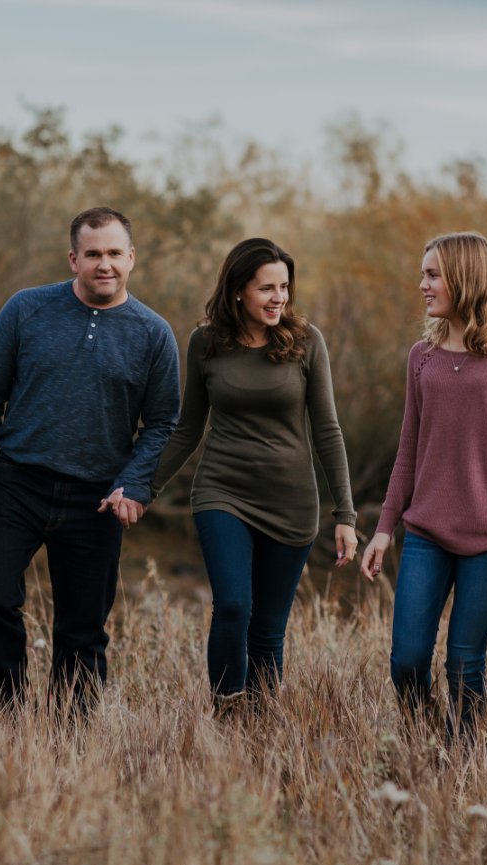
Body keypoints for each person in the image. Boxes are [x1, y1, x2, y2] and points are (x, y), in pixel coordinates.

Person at [0, 207, 180, 713]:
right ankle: (9, 716)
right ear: (73, 259)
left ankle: (71, 738)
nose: (105, 264)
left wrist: (134, 484)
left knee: (82, 631)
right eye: (93, 254)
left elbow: (163, 423)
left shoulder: (153, 333)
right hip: (16, 483)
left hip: (97, 497)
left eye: (114, 253)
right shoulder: (26, 310)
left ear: (131, 258)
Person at [151, 238, 357, 712]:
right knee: (232, 606)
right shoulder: (206, 343)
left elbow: (327, 431)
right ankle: (227, 713)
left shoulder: (306, 341)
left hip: (291, 503)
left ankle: (259, 727)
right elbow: (188, 429)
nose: (278, 298)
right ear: (238, 290)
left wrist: (345, 514)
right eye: (267, 288)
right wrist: (144, 487)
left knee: (267, 630)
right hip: (222, 492)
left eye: (284, 287)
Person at [361, 231, 487, 740]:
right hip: (426, 533)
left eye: (433, 275)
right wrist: (384, 529)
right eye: (423, 274)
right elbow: (408, 450)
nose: (422, 285)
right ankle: (424, 743)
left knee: (465, 664)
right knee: (407, 661)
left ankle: (461, 764)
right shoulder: (421, 356)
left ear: (465, 277)